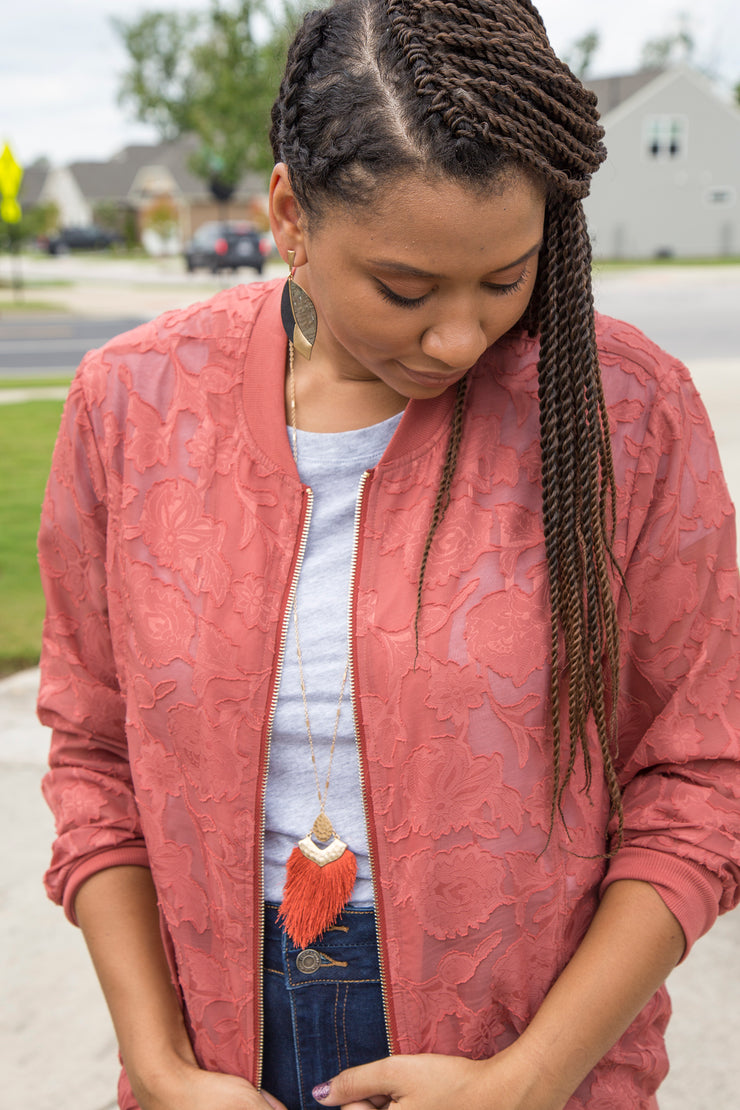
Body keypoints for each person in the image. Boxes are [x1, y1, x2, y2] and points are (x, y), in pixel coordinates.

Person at [38, 2, 740, 1109]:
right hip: (219, 1048)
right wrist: (162, 1067)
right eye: (404, 290)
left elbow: (699, 782)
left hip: (524, 1055)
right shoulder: (131, 405)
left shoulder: (623, 412)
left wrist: (526, 1080)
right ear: (288, 215)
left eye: (505, 279)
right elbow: (93, 759)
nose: (458, 337)